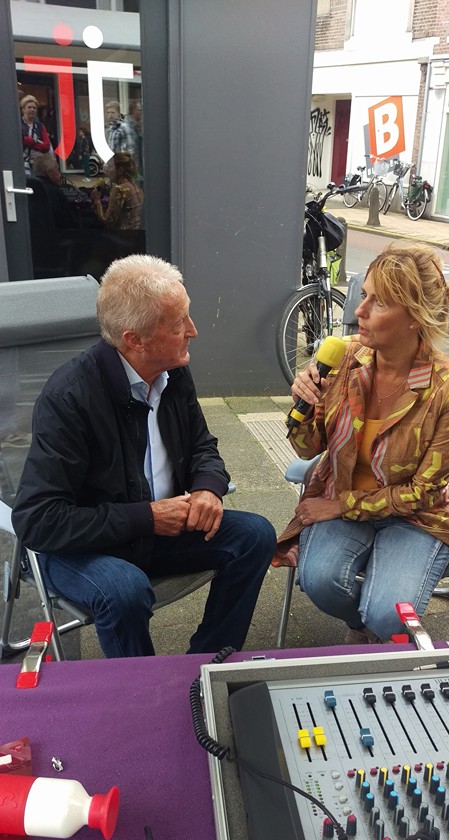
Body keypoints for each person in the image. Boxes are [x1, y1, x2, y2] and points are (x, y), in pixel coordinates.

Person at [12, 255, 276, 657]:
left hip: (157, 533)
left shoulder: (172, 372)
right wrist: (148, 517)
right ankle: (140, 691)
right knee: (124, 589)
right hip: (85, 549)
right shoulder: (70, 397)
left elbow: (203, 445)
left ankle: (207, 662)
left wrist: (208, 489)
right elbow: (37, 521)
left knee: (255, 536)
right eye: (179, 324)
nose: (194, 330)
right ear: (135, 339)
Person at [273, 243, 449, 644]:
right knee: (319, 581)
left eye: (378, 302)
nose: (359, 311)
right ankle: (362, 626)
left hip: (414, 516)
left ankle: (375, 627)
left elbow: (423, 493)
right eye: (364, 295)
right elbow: (306, 448)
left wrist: (340, 505)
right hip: (342, 496)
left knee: (388, 616)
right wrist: (302, 404)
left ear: (413, 318)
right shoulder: (344, 360)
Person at [90, 152, 143, 229]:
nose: (107, 171)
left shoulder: (119, 190)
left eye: (110, 167)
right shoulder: (136, 187)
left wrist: (97, 201)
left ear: (120, 170)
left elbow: (108, 221)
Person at [30, 153, 78, 229]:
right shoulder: (55, 193)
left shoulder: (30, 189)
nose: (60, 175)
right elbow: (69, 223)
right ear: (49, 173)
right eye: (57, 169)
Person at [20, 95, 51, 176]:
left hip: (36, 165)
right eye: (29, 107)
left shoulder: (40, 126)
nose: (32, 110)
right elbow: (19, 140)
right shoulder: (17, 123)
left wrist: (29, 142)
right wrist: (36, 141)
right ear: (23, 109)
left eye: (34, 108)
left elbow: (46, 146)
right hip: (19, 163)